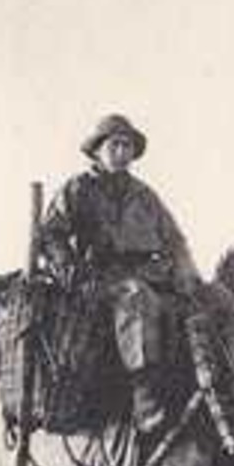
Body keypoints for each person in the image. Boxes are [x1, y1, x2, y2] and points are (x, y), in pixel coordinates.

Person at [35, 113, 203, 438]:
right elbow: (51, 234)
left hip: (149, 274)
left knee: (199, 305)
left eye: (127, 146)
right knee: (136, 298)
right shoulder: (79, 189)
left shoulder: (145, 196)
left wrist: (189, 277)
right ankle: (144, 396)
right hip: (99, 278)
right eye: (115, 145)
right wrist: (68, 267)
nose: (122, 152)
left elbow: (176, 241)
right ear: (98, 151)